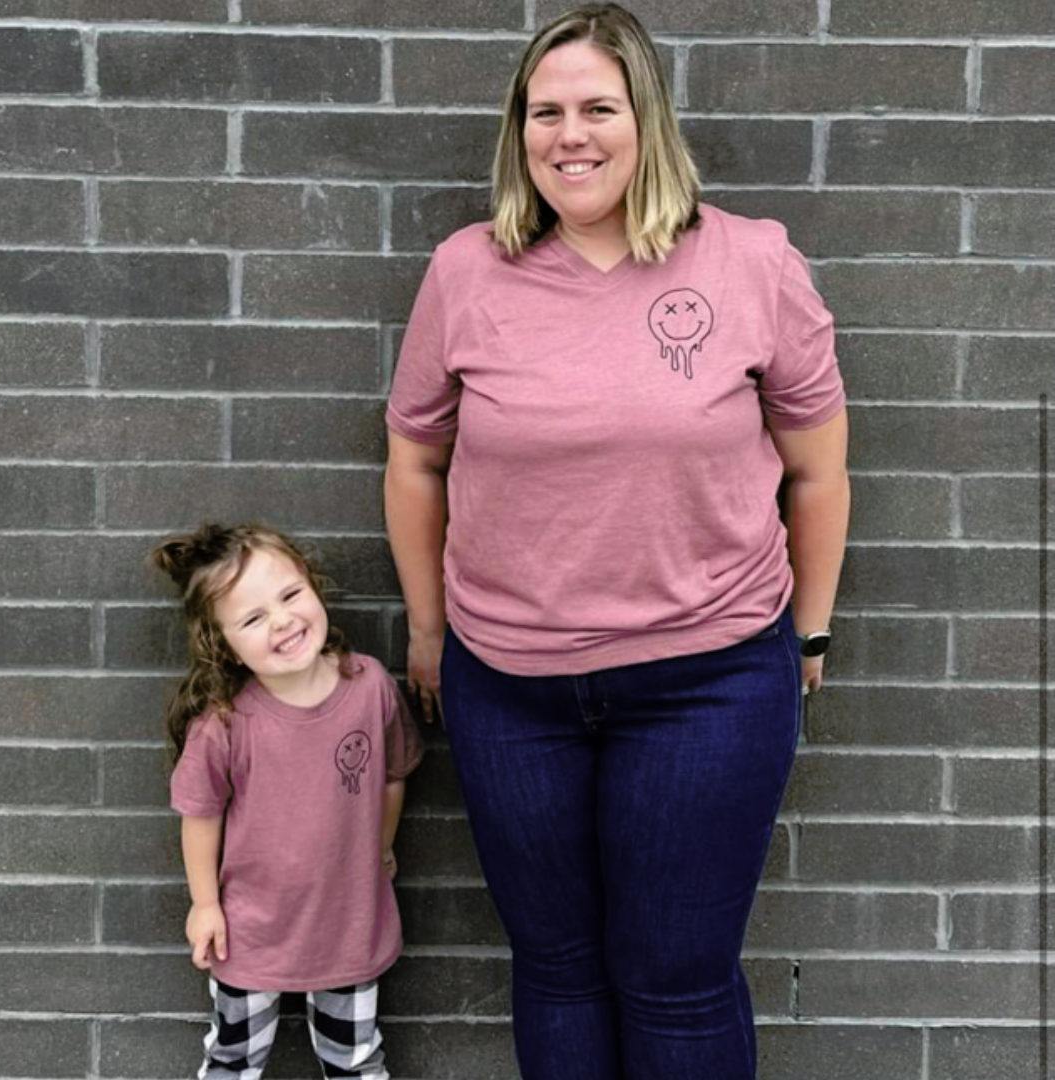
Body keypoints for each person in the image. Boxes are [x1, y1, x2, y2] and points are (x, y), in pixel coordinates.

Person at [384, 3, 849, 1077]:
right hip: (510, 690)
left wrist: (811, 632)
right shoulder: (466, 271)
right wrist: (428, 629)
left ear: (648, 120)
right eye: (545, 112)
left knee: (677, 979)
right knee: (557, 970)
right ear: (520, 132)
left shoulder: (750, 262)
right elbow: (414, 461)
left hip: (709, 681)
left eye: (598, 107)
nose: (570, 136)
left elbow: (818, 470)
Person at [152, 523, 423, 1080]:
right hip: (250, 931)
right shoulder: (226, 721)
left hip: (349, 923)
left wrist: (382, 844)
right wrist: (205, 904)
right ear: (222, 642)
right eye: (253, 619)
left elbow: (393, 775)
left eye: (291, 595)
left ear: (313, 585)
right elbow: (200, 814)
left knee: (355, 1061)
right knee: (233, 1059)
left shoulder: (369, 687)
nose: (282, 621)